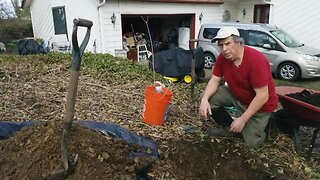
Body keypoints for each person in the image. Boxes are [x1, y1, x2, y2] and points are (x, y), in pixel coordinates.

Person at [199, 26, 278, 148]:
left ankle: (266, 124)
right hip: (237, 95)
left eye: (227, 43)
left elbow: (262, 96)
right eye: (221, 45)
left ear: (238, 42)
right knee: (208, 97)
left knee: (251, 144)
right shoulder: (223, 58)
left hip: (260, 106)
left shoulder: (255, 60)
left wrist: (243, 119)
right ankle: (229, 126)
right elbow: (214, 80)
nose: (224, 49)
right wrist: (204, 100)